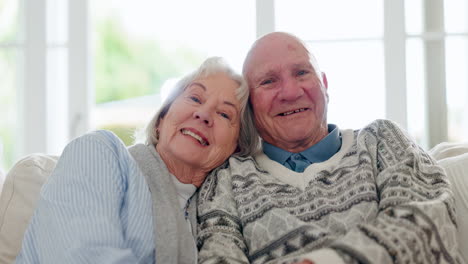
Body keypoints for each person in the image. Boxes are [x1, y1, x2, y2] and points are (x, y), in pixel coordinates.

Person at [197, 32, 461, 264]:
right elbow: (218, 254)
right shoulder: (228, 178)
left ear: (324, 85)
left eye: (301, 72)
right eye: (268, 81)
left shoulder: (382, 139)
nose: (290, 92)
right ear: (249, 105)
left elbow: (426, 221)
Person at [15, 57, 258, 264]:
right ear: (163, 119)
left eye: (225, 114)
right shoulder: (100, 152)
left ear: (235, 149)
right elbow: (84, 255)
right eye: (195, 98)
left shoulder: (218, 219)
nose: (203, 114)